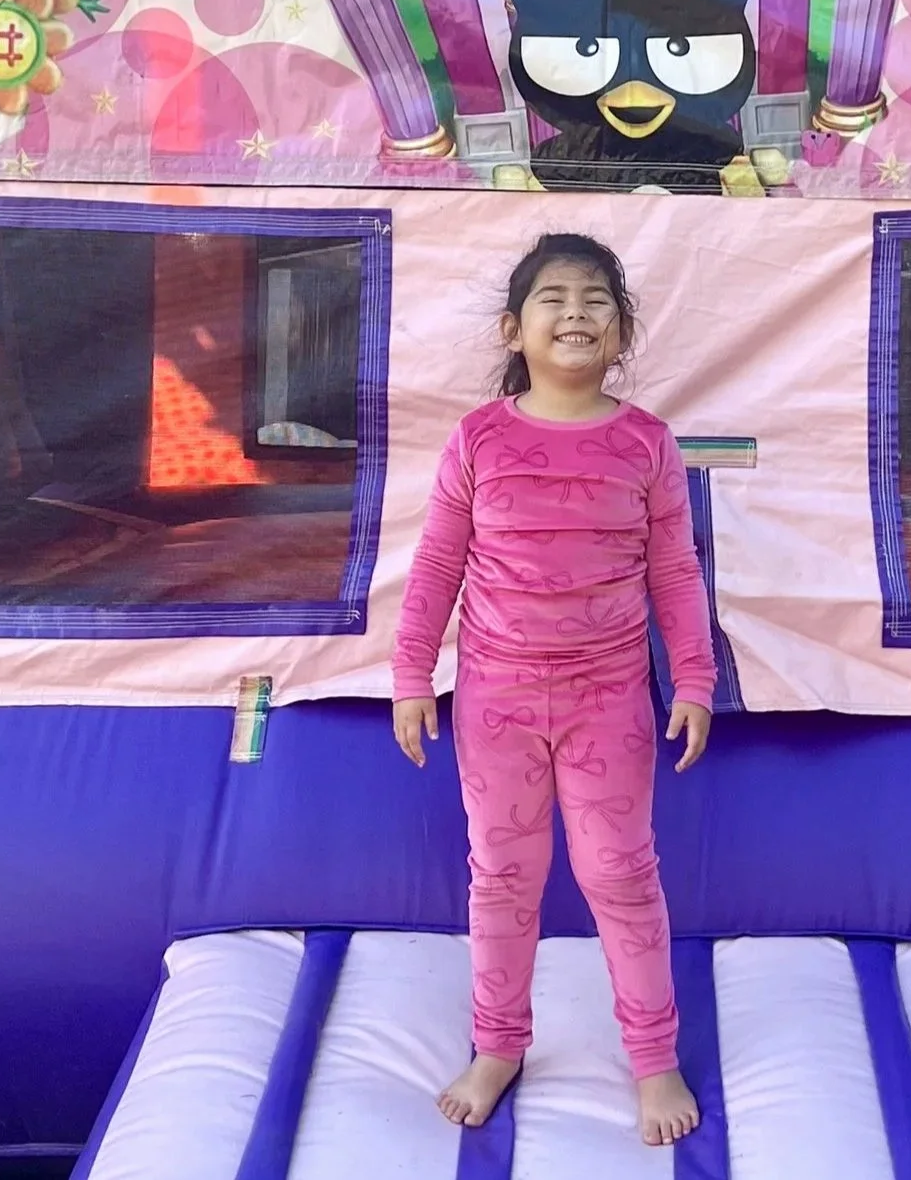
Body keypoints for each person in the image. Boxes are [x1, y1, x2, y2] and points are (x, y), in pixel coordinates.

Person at [392, 231, 716, 1147]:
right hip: (493, 699)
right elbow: (438, 566)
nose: (575, 312)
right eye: (553, 298)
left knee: (621, 873)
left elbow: (675, 573)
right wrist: (412, 674)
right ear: (513, 329)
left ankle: (652, 1059)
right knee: (501, 877)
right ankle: (499, 1045)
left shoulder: (646, 442)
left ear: (620, 335)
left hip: (607, 699)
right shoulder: (479, 439)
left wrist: (693, 677)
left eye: (596, 300)